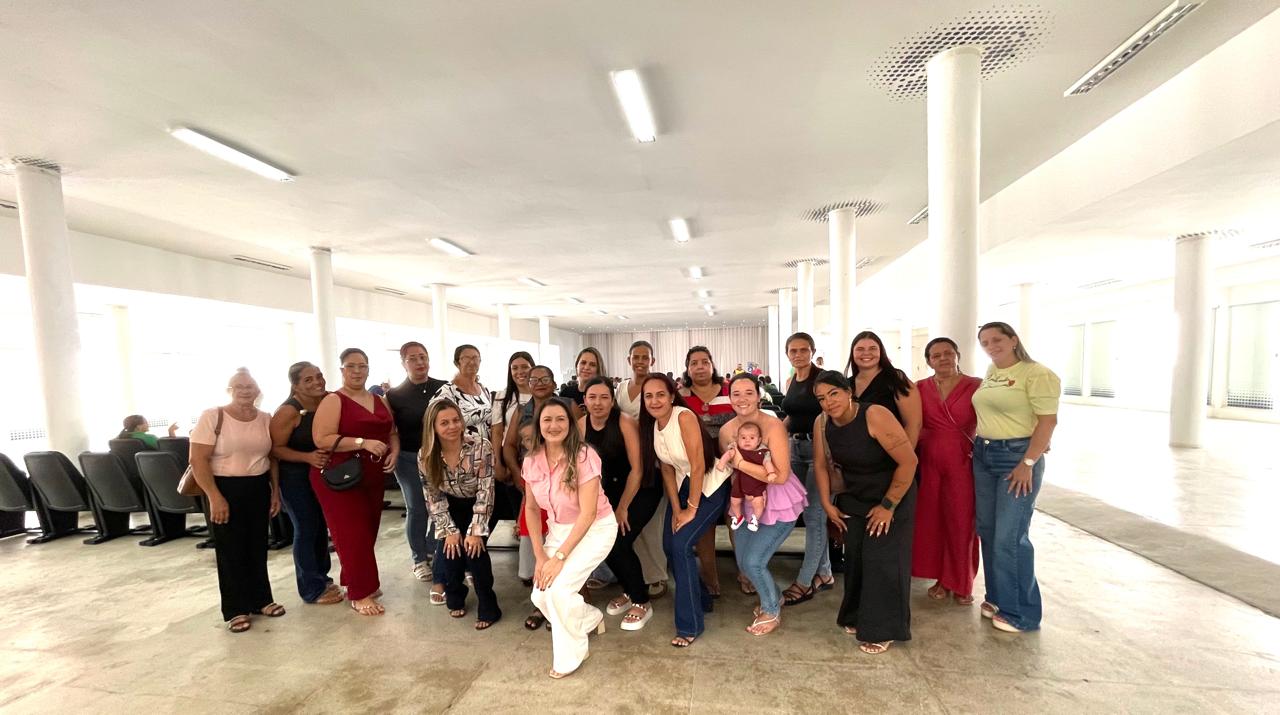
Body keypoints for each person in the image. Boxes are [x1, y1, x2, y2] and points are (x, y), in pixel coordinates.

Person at [813, 370, 918, 654]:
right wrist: (827, 503)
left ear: (849, 392)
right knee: (857, 557)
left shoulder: (875, 415)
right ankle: (857, 615)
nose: (828, 402)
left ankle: (884, 628)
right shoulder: (822, 422)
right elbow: (820, 465)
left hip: (892, 492)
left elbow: (909, 462)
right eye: (821, 398)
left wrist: (887, 506)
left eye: (834, 393)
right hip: (855, 494)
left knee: (883, 560)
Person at [972, 322, 1061, 633]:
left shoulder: (1037, 374)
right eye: (985, 342)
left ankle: (1022, 613)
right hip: (984, 454)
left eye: (997, 339)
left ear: (1013, 340)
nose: (991, 346)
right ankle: (998, 597)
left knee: (1010, 536)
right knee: (988, 529)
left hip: (1016, 457)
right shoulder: (992, 372)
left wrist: (1028, 462)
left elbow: (1048, 421)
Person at [523, 398, 617, 679]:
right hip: (559, 529)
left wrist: (559, 558)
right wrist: (540, 556)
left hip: (595, 528)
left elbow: (588, 514)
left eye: (560, 419)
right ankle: (589, 618)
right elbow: (531, 509)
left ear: (570, 424)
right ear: (539, 426)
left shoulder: (585, 456)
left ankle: (571, 655)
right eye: (547, 420)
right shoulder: (531, 460)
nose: (554, 426)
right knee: (540, 595)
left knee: (559, 592)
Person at [188, 368, 283, 633]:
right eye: (238, 386)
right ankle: (235, 609)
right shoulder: (213, 416)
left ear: (257, 390)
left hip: (257, 485)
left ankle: (261, 599)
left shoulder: (265, 418)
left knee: (257, 544)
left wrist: (275, 491)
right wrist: (214, 496)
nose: (244, 390)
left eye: (249, 386)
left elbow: (272, 458)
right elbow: (197, 459)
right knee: (230, 549)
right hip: (223, 487)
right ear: (229, 390)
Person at [640, 373, 730, 648]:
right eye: (648, 396)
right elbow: (667, 469)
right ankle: (701, 599)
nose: (654, 401)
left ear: (671, 396)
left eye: (660, 394)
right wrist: (676, 507)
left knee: (680, 546)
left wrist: (690, 508)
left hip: (709, 486)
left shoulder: (684, 417)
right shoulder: (653, 425)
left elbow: (698, 464)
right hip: (682, 486)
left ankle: (689, 625)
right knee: (669, 545)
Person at [718, 374, 808, 636]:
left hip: (778, 501)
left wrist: (741, 463)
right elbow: (731, 473)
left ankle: (771, 609)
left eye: (749, 392)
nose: (742, 399)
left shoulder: (773, 426)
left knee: (754, 561)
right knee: (743, 562)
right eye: (736, 393)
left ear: (759, 396)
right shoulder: (726, 431)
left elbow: (780, 475)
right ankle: (774, 596)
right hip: (746, 501)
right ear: (729, 398)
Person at [312, 348, 399, 616]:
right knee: (353, 534)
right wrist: (362, 442)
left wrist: (394, 451)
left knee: (368, 531)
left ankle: (354, 578)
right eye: (351, 366)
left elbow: (392, 432)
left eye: (362, 366)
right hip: (340, 476)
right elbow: (322, 438)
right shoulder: (333, 400)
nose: (357, 371)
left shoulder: (378, 399)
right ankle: (360, 593)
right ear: (342, 370)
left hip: (372, 474)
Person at [579, 377, 660, 631]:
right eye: (592, 397)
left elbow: (637, 469)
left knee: (618, 542)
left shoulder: (624, 422)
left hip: (642, 488)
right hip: (608, 493)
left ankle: (642, 601)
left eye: (604, 397)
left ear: (612, 400)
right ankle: (629, 590)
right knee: (606, 543)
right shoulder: (581, 425)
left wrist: (623, 507)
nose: (598, 403)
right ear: (584, 400)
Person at [420, 400, 501, 630]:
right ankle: (455, 597)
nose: (452, 426)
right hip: (450, 505)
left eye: (456, 420)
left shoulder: (481, 446)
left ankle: (489, 607)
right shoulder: (425, 455)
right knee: (450, 552)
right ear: (433, 427)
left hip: (480, 503)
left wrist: (475, 531)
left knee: (476, 554)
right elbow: (433, 497)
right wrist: (449, 530)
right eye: (444, 423)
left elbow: (486, 491)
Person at [913, 337, 982, 605]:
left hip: (962, 460)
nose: (943, 358)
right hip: (929, 460)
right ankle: (941, 579)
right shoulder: (919, 388)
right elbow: (912, 423)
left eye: (948, 353)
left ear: (957, 355)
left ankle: (962, 582)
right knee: (933, 521)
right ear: (928, 361)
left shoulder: (977, 386)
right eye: (936, 355)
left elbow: (997, 417)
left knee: (962, 522)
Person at [270, 362, 343, 606]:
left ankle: (322, 577)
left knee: (321, 526)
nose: (317, 382)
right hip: (296, 478)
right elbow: (275, 449)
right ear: (295, 385)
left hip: (322, 475)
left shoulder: (327, 401)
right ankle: (310, 588)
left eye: (319, 376)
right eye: (308, 380)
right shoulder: (288, 411)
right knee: (306, 527)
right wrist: (307, 457)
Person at [779, 331, 836, 607]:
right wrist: (773, 435)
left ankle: (804, 582)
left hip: (820, 450)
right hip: (795, 449)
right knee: (806, 512)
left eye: (804, 350)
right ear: (787, 354)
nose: (799, 355)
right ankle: (824, 572)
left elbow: (835, 413)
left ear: (813, 352)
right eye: (793, 350)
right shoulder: (791, 381)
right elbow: (792, 416)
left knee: (815, 516)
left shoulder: (823, 379)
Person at [678, 346, 738, 596]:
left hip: (732, 465)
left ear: (712, 365)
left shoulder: (729, 390)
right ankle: (711, 579)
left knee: (735, 520)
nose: (700, 367)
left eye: (705, 362)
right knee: (705, 524)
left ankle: (746, 573)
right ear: (687, 368)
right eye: (694, 363)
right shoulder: (680, 395)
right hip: (698, 468)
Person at [386, 341, 447, 582]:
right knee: (417, 507)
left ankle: (432, 546)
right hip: (408, 458)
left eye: (423, 357)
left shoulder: (444, 388)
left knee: (440, 505)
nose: (419, 362)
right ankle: (419, 558)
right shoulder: (394, 395)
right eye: (413, 358)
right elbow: (392, 431)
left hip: (439, 457)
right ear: (403, 363)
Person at [614, 340, 669, 598]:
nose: (640, 362)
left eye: (644, 357)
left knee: (652, 525)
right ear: (629, 360)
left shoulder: (655, 387)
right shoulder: (620, 388)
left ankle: (657, 575)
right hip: (626, 463)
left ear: (652, 361)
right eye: (635, 357)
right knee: (629, 526)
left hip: (653, 460)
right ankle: (635, 576)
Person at [846, 331, 922, 447]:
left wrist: (906, 455)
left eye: (873, 348)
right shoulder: (847, 384)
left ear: (881, 352)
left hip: (891, 453)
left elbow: (913, 424)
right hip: (854, 452)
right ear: (852, 353)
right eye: (860, 349)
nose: (866, 353)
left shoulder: (896, 379)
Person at [720, 422, 773, 532]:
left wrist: (771, 472)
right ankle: (738, 516)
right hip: (739, 481)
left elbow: (767, 462)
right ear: (738, 439)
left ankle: (755, 519)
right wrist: (722, 463)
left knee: (758, 502)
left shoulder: (762, 452)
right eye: (743, 438)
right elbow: (728, 455)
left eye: (752, 438)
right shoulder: (736, 449)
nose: (747, 441)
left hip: (756, 482)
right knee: (734, 501)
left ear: (759, 440)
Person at [432, 344, 492, 437]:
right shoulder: (447, 391)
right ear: (456, 363)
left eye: (475, 358)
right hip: (460, 445)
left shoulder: (484, 390)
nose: (472, 362)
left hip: (487, 445)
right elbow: (433, 421)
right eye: (466, 358)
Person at [559, 347, 607, 414]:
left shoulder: (605, 394)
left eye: (592, 365)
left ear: (598, 369)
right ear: (577, 366)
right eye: (583, 363)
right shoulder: (565, 394)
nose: (586, 367)